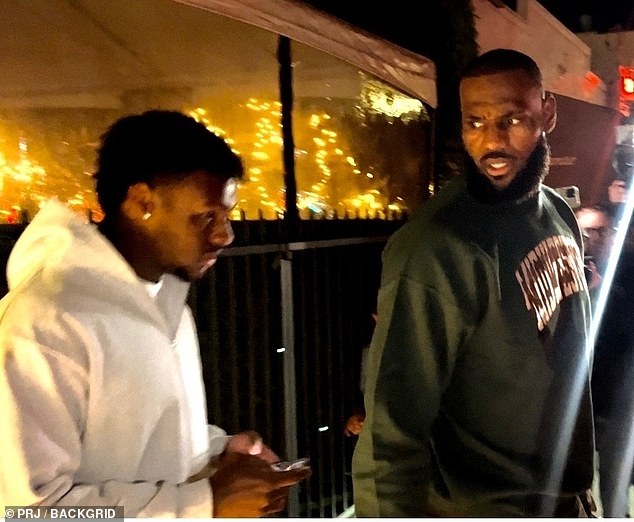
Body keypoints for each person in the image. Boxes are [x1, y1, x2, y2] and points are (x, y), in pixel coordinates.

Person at [0, 110, 310, 517]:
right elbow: (30, 511)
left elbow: (135, 445)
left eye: (227, 215)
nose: (225, 235)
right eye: (206, 217)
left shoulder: (166, 303)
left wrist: (217, 450)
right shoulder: (44, 322)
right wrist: (205, 503)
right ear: (142, 201)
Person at [352, 49, 595, 517]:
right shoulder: (435, 248)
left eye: (512, 119)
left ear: (547, 112)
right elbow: (390, 432)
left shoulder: (559, 214)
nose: (491, 142)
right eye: (474, 122)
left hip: (568, 499)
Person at [576, 203, 634, 517]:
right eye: (582, 232)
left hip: (619, 398)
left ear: (611, 233)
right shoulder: (570, 271)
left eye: (595, 231)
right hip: (579, 398)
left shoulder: (628, 268)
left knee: (614, 482)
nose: (589, 240)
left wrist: (600, 294)